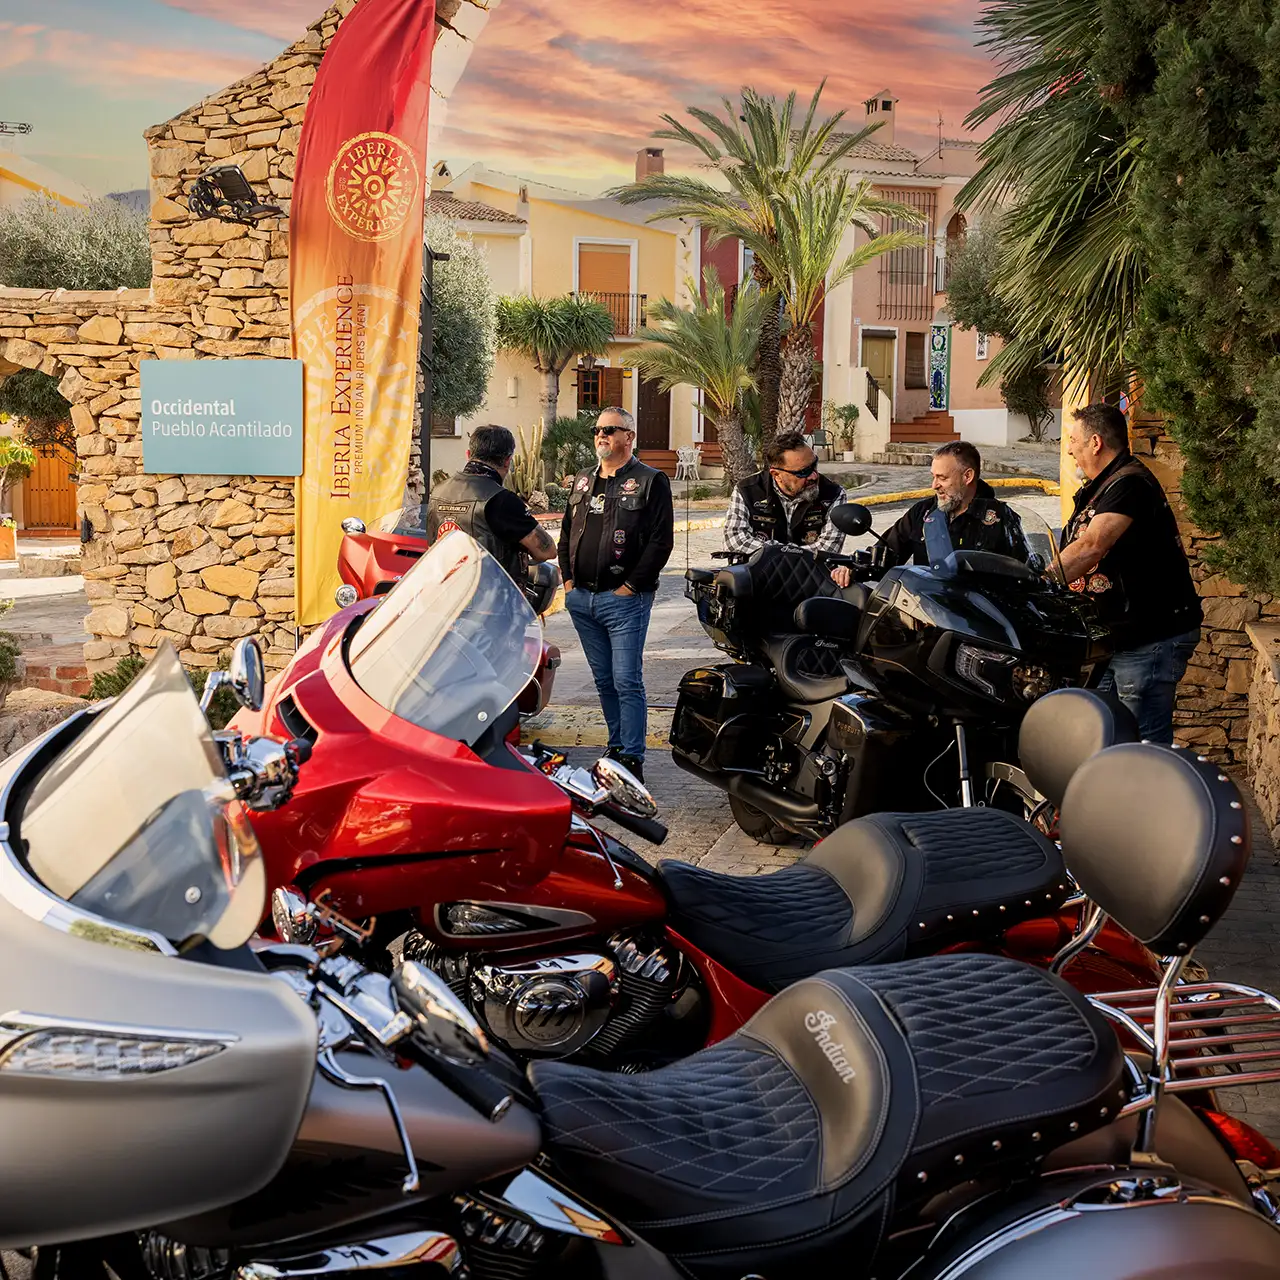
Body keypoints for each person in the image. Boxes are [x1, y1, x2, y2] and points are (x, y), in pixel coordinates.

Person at [1060, 402, 1202, 744]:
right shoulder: (1103, 485)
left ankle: (1151, 797)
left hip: (1148, 637)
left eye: (1073, 440)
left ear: (1095, 443)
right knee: (1108, 734)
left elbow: (1092, 545)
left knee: (1144, 743)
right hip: (1118, 638)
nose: (1069, 448)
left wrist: (1039, 580)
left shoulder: (1130, 485)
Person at [559, 406, 674, 782]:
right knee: (604, 680)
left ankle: (633, 756)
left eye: (611, 429)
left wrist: (630, 587)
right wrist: (568, 582)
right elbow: (565, 535)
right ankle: (615, 745)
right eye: (597, 430)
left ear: (630, 437)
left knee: (627, 680)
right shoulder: (581, 481)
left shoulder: (650, 480)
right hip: (582, 600)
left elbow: (660, 542)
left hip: (624, 600)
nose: (601, 435)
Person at [427, 425, 558, 582]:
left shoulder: (438, 491)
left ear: (468, 455)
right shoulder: (501, 499)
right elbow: (547, 551)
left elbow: (431, 546)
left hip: (448, 593)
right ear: (507, 461)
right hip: (491, 597)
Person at [724, 431, 855, 586]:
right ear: (776, 474)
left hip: (810, 582)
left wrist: (775, 553)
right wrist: (785, 553)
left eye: (814, 465)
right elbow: (734, 540)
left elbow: (828, 549)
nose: (813, 476)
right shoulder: (747, 490)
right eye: (803, 472)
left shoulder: (833, 494)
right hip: (758, 581)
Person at [881, 441, 1028, 567]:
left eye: (942, 478)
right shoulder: (922, 512)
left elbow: (1025, 577)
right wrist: (862, 564)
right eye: (933, 477)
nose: (934, 485)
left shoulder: (1002, 519)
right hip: (925, 599)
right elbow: (886, 553)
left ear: (967, 476)